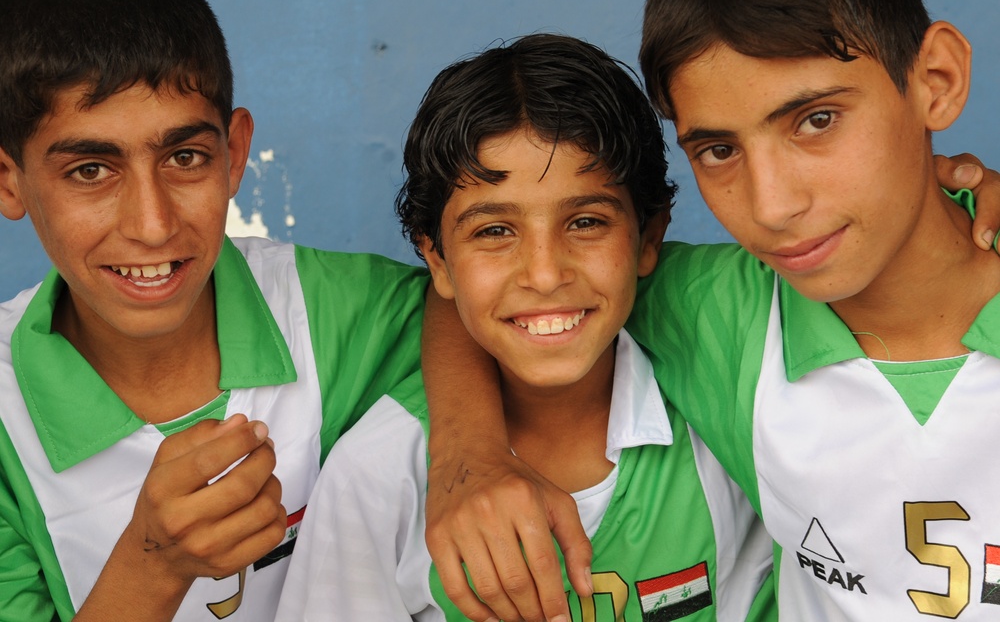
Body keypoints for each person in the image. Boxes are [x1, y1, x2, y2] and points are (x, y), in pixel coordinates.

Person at [418, 0, 1000, 620]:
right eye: (719, 150)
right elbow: (470, 292)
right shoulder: (723, 315)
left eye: (816, 121)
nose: (773, 204)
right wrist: (469, 454)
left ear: (938, 80)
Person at [276, 33, 776, 622]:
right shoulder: (379, 473)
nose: (543, 274)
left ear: (649, 237)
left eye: (586, 221)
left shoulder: (721, 421)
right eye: (493, 231)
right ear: (436, 259)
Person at [0, 0, 429, 619]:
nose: (152, 224)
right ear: (9, 181)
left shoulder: (330, 310)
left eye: (184, 158)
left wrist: (476, 448)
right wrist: (152, 566)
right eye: (91, 169)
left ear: (233, 155)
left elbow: (465, 319)